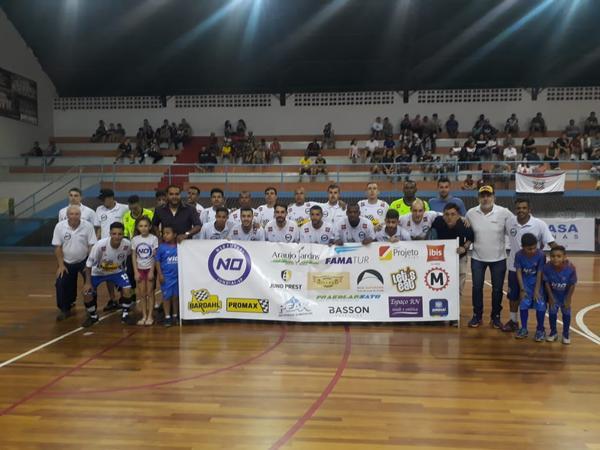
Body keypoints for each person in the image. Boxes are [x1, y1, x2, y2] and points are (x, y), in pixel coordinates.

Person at [501, 198, 556, 332]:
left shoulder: (539, 224)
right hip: (515, 267)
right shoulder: (509, 222)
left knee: (538, 297)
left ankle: (540, 327)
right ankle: (514, 321)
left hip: (535, 270)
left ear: (529, 210)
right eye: (518, 208)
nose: (521, 210)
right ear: (515, 210)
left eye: (524, 208)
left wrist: (563, 259)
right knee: (513, 296)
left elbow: (551, 243)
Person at [465, 185, 512, 328]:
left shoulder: (504, 213)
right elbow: (467, 233)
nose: (485, 198)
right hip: (477, 258)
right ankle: (477, 316)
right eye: (482, 196)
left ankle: (496, 316)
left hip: (498, 258)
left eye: (488, 195)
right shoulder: (470, 213)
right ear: (478, 198)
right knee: (476, 287)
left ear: (494, 197)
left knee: (497, 289)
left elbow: (514, 229)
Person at [82, 222, 134, 327]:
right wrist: (87, 283)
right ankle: (92, 316)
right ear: (110, 233)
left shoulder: (127, 244)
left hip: (117, 271)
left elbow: (130, 255)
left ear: (123, 234)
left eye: (120, 234)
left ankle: (125, 314)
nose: (117, 236)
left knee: (128, 288)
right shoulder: (99, 245)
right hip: (98, 273)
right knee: (87, 293)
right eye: (114, 234)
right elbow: (88, 265)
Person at [52, 205, 97, 321]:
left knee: (91, 282)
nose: (74, 216)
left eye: (76, 214)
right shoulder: (59, 227)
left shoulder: (87, 226)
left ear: (80, 215)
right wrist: (61, 265)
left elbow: (92, 245)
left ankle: (91, 309)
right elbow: (57, 247)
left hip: (84, 260)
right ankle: (64, 309)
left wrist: (89, 263)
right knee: (60, 283)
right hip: (66, 262)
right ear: (67, 215)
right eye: (71, 214)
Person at [427, 203, 473, 298]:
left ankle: (457, 311)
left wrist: (464, 247)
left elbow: (471, 238)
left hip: (459, 258)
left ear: (458, 215)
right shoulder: (438, 221)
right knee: (441, 285)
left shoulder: (463, 224)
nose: (449, 217)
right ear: (443, 215)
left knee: (458, 288)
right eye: (447, 214)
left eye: (453, 214)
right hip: (441, 259)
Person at [513, 233, 547, 341]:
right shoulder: (518, 255)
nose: (532, 251)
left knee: (540, 305)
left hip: (537, 284)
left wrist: (537, 290)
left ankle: (540, 330)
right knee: (523, 305)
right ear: (522, 247)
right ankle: (523, 328)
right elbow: (518, 272)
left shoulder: (541, 255)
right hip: (525, 284)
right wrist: (522, 289)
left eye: (534, 248)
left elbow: (540, 273)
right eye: (529, 249)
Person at [543, 246, 577, 344]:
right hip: (554, 296)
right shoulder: (547, 267)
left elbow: (572, 284)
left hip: (565, 296)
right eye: (553, 256)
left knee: (566, 314)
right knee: (552, 313)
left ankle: (565, 334)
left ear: (564, 257)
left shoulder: (571, 268)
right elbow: (546, 283)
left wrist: (568, 298)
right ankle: (553, 333)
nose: (555, 258)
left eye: (559, 256)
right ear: (550, 257)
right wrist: (550, 297)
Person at [131, 217, 158, 326]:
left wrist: (152, 271)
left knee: (150, 293)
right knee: (142, 294)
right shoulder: (135, 239)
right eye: (141, 226)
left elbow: (155, 256)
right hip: (140, 269)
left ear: (150, 227)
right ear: (137, 227)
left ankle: (150, 316)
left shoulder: (153, 239)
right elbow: (133, 256)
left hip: (149, 269)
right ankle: (144, 316)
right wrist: (135, 272)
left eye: (146, 226)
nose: (143, 228)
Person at [155, 226, 179, 327]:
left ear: (174, 235)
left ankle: (175, 315)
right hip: (166, 277)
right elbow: (157, 261)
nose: (165, 235)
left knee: (175, 297)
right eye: (163, 233)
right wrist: (160, 274)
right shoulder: (161, 247)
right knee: (166, 297)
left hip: (177, 277)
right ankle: (167, 317)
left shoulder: (180, 247)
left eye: (168, 233)